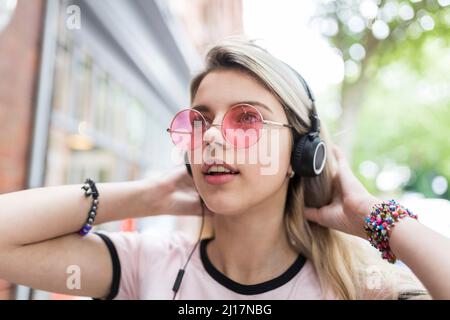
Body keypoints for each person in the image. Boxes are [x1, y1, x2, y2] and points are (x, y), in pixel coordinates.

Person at [0, 37, 449, 300]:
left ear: (302, 153)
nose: (211, 137)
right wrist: (145, 195)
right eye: (199, 121)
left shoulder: (357, 287)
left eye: (247, 117)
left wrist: (376, 218)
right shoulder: (147, 266)